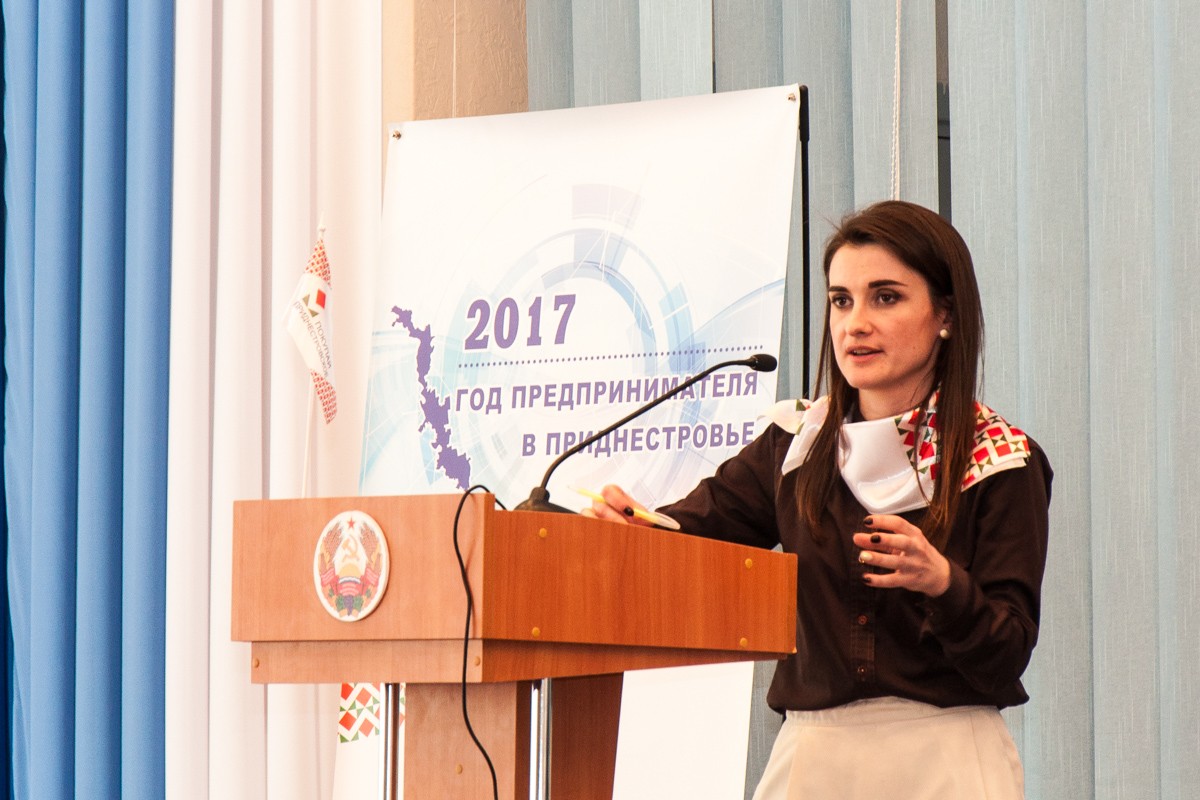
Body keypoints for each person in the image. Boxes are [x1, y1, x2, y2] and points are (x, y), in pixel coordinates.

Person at [583, 200, 1052, 799]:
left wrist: (942, 583)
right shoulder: (794, 444)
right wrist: (636, 531)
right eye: (841, 300)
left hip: (947, 757)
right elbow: (693, 535)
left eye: (886, 298)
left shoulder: (999, 460)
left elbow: (1007, 653)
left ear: (947, 316)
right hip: (813, 758)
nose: (855, 324)